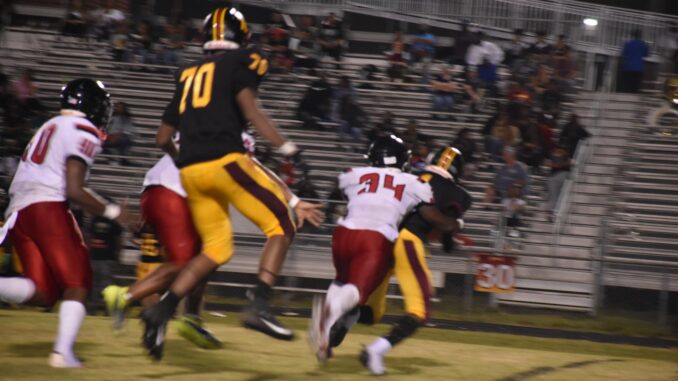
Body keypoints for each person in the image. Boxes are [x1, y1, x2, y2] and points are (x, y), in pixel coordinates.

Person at [139, 7, 322, 359]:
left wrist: (187, 161)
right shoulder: (242, 60)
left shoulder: (187, 71)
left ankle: (159, 311)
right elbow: (251, 111)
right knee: (281, 223)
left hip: (191, 172)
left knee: (216, 250)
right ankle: (259, 304)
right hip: (226, 160)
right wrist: (288, 149)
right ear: (242, 36)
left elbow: (162, 137)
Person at [0, 78, 132, 368]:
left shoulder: (49, 125)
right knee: (78, 283)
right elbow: (73, 189)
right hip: (47, 205)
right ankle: (62, 353)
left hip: (19, 211)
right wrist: (112, 212)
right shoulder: (82, 129)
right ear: (94, 106)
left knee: (42, 291)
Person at [309, 135, 452, 363]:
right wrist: (454, 224)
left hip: (344, 233)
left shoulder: (353, 174)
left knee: (341, 281)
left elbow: (339, 192)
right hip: (375, 237)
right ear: (401, 160)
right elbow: (430, 215)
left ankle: (324, 341)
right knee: (358, 291)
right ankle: (327, 317)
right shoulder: (414, 183)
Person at [358, 147, 471, 375]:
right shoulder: (456, 192)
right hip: (407, 241)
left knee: (371, 312)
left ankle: (333, 316)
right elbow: (446, 228)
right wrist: (457, 228)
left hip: (381, 238)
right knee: (419, 311)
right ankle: (375, 351)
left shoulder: (409, 178)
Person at [86, 196, 123, 315]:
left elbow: (118, 240)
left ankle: (105, 308)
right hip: (98, 256)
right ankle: (96, 307)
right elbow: (89, 237)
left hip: (105, 257)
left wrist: (117, 254)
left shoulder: (109, 221)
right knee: (96, 283)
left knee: (104, 284)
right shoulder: (96, 219)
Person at [544, 145, 571, 218]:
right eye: (556, 150)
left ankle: (552, 211)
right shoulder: (553, 156)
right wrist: (555, 165)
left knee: (555, 195)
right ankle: (551, 211)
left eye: (560, 151)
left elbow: (569, 163)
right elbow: (547, 163)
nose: (557, 152)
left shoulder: (565, 156)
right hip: (553, 177)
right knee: (553, 195)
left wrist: (558, 165)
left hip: (562, 176)